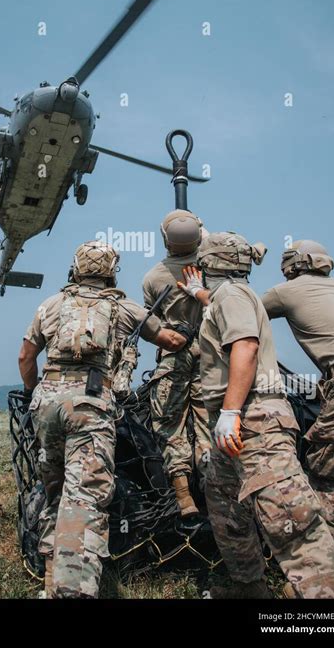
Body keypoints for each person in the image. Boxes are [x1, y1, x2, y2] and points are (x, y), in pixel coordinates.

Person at [178, 231, 334, 599]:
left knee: (290, 518)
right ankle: (249, 588)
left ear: (210, 263)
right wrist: (199, 295)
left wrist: (230, 411)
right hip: (236, 424)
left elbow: (245, 345)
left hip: (253, 420)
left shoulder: (234, 295)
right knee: (226, 507)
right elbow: (228, 312)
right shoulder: (229, 296)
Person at [18, 240, 187, 599]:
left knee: (55, 494)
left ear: (75, 268)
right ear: (112, 271)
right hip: (91, 407)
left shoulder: (50, 305)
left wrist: (36, 392)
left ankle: (51, 577)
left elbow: (25, 357)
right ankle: (73, 591)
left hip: (46, 407)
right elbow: (171, 340)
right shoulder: (124, 308)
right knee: (85, 499)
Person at [262, 239, 334, 552]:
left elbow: (242, 311)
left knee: (331, 477)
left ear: (294, 263)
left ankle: (322, 570)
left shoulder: (287, 291)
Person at [143, 210, 211, 517]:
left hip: (173, 358)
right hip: (210, 356)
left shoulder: (153, 277)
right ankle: (214, 492)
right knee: (209, 424)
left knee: (170, 425)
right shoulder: (211, 269)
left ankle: (184, 498)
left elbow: (148, 325)